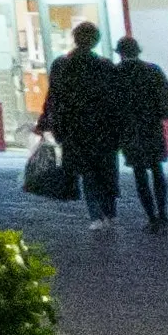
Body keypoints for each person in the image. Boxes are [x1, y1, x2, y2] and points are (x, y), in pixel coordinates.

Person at [36, 20, 125, 224]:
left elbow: (54, 97)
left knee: (87, 172)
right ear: (96, 41)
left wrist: (44, 123)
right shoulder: (105, 65)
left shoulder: (61, 64)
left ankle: (96, 215)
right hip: (103, 127)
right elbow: (115, 99)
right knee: (106, 169)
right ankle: (109, 211)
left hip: (74, 127)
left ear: (74, 38)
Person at [111, 37, 168, 232]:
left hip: (129, 130)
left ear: (120, 53)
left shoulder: (115, 74)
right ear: (138, 51)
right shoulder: (152, 70)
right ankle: (163, 214)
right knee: (157, 170)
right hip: (151, 127)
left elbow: (109, 105)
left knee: (139, 174)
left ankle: (151, 217)